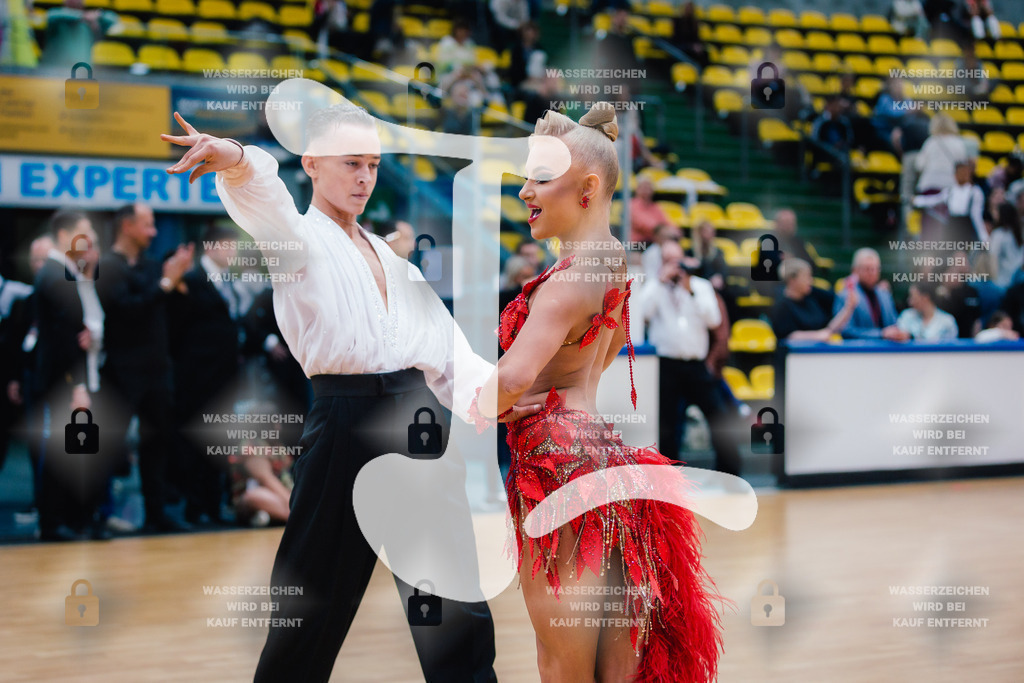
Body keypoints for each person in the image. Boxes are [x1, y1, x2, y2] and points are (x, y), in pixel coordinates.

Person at [161, 105, 538, 683]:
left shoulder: (393, 260)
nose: (365, 178)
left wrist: (497, 394)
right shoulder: (296, 239)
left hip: (417, 421)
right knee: (311, 597)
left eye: (373, 166)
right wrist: (234, 157)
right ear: (312, 164)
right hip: (344, 417)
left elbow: (446, 351)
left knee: (453, 596)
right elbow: (264, 196)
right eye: (351, 164)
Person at [473, 102, 724, 683]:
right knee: (617, 659)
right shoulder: (613, 262)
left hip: (555, 466)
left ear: (587, 188)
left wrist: (481, 405)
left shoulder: (566, 281)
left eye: (540, 179)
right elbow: (600, 358)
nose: (524, 192)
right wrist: (551, 384)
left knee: (561, 661)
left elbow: (512, 378)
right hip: (603, 458)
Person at [95, 203, 194, 533]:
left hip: (157, 369)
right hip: (122, 369)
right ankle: (98, 516)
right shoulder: (108, 266)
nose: (153, 232)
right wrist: (166, 284)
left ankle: (156, 513)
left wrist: (178, 283)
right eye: (147, 225)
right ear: (127, 226)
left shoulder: (153, 266)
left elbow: (168, 313)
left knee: (158, 441)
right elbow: (128, 311)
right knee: (111, 446)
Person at [31, 210, 107, 541]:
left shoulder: (65, 273)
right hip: (63, 381)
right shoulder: (55, 274)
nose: (89, 239)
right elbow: (63, 337)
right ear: (64, 235)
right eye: (83, 232)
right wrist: (75, 384)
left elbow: (76, 330)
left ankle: (73, 519)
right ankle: (54, 522)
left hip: (69, 378)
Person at [639, 239, 742, 477]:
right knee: (668, 426)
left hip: (697, 366)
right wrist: (659, 282)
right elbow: (642, 313)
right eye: (668, 261)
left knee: (719, 418)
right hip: (666, 365)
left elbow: (713, 320)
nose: (674, 266)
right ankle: (670, 478)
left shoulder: (701, 286)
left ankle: (730, 474)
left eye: (677, 260)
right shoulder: (654, 286)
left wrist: (690, 291)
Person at [166, 226, 244, 527]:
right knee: (194, 441)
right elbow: (176, 330)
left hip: (225, 379)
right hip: (195, 379)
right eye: (227, 245)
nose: (233, 252)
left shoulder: (229, 282)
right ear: (210, 247)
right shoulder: (190, 280)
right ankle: (193, 506)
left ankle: (214, 504)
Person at [770, 259, 858, 341]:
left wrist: (848, 308)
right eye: (806, 277)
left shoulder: (813, 298)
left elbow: (829, 330)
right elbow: (788, 336)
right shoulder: (781, 307)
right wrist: (817, 335)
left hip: (820, 351)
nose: (811, 281)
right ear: (792, 280)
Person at [835, 248, 909, 340]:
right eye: (867, 269)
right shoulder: (845, 296)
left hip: (888, 348)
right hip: (859, 348)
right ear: (855, 270)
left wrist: (898, 333)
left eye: (875, 269)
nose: (872, 273)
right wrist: (881, 334)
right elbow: (845, 331)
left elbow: (894, 324)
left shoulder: (885, 295)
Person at [39, 0, 117, 68]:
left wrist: (98, 15)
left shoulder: (90, 21)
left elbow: (112, 18)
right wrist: (83, 16)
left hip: (80, 72)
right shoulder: (58, 19)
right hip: (53, 69)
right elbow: (51, 15)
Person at [914, 113, 968, 194]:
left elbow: (919, 165)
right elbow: (962, 163)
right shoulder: (958, 142)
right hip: (951, 184)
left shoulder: (930, 142)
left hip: (930, 183)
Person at [628, 176, 675, 246]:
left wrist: (672, 230)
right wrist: (663, 229)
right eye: (643, 187)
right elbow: (644, 225)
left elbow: (667, 222)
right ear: (637, 189)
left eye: (648, 187)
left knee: (670, 244)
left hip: (654, 242)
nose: (646, 190)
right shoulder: (632, 205)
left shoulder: (654, 206)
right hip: (638, 244)